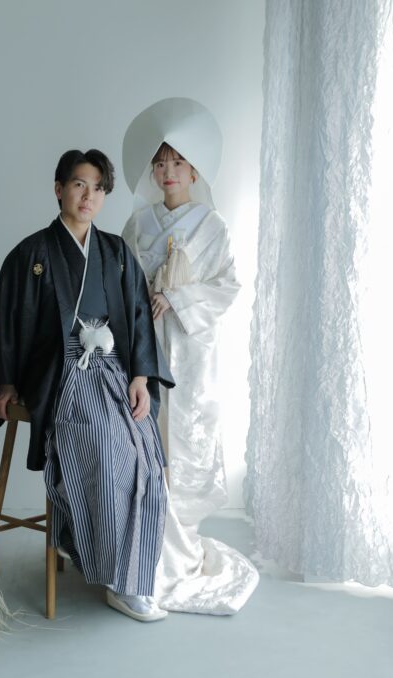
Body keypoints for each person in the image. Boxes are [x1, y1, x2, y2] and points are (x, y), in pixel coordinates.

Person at [0, 148, 175, 622]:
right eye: (78, 185)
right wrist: (7, 382)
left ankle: (132, 572)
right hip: (60, 372)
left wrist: (140, 376)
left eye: (98, 188)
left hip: (113, 368)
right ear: (59, 189)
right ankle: (114, 577)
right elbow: (4, 319)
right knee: (108, 449)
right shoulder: (32, 253)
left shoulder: (114, 252)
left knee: (146, 454)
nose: (88, 196)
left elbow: (137, 315)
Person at [121, 98, 259, 615]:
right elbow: (122, 282)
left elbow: (227, 286)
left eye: (178, 162)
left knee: (185, 441)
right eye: (160, 163)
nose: (168, 171)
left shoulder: (212, 225)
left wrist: (177, 299)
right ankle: (140, 550)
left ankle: (175, 555)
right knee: (146, 439)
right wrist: (143, 304)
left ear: (194, 170)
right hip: (145, 345)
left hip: (190, 351)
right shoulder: (139, 223)